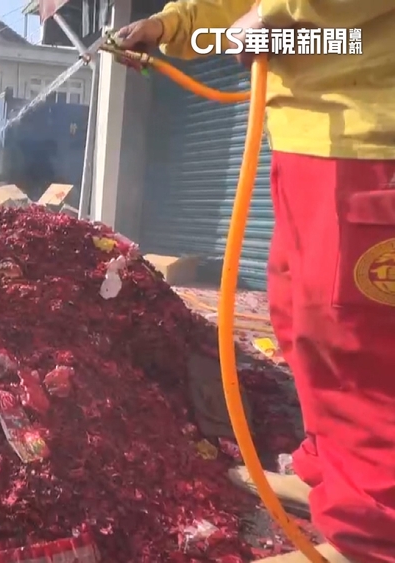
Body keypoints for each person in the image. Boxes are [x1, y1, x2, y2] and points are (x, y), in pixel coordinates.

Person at [116, 4, 395, 562]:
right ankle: (331, 473)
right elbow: (275, 23)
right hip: (307, 138)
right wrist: (170, 27)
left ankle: (373, 534)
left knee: (357, 343)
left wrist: (278, 13)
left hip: (370, 134)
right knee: (299, 321)